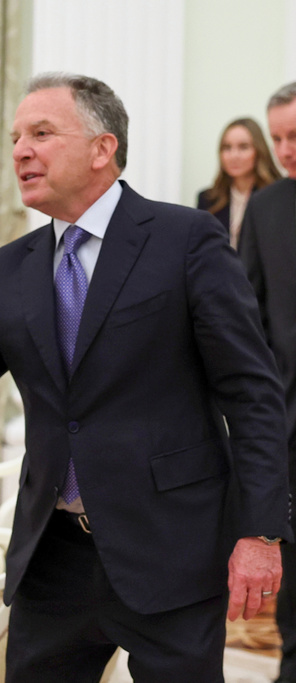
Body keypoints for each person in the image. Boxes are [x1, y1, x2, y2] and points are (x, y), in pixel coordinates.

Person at [0, 72, 290, 682]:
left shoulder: (186, 240)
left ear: (102, 148)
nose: (20, 151)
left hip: (170, 547)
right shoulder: (8, 269)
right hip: (52, 557)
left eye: (41, 133)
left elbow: (253, 395)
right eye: (14, 138)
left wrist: (261, 533)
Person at [238, 81, 296, 683]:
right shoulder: (267, 208)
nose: (284, 149)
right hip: (290, 429)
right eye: (276, 137)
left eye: (295, 136)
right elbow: (249, 318)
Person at [196, 117, 281, 248]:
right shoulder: (207, 199)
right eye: (227, 147)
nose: (234, 155)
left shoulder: (277, 196)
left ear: (259, 151)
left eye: (243, 147)